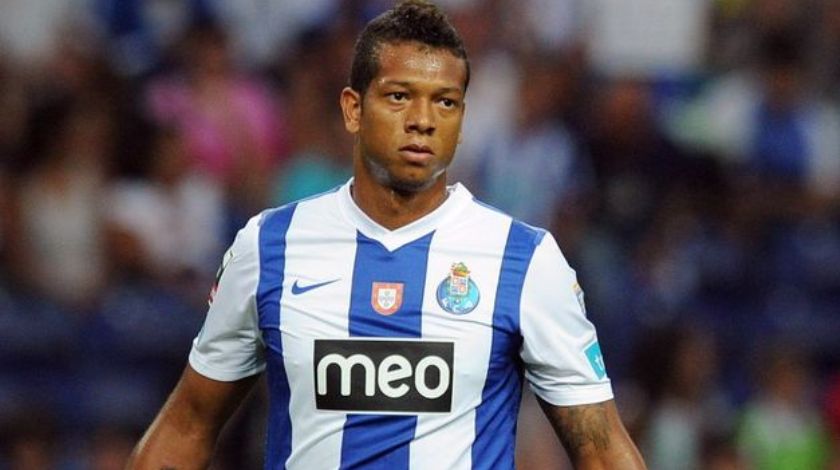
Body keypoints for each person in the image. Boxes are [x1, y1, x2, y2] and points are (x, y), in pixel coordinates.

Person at [126, 1, 646, 468]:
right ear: (353, 108)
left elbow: (602, 448)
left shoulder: (525, 260)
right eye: (400, 96)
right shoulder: (268, 248)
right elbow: (188, 426)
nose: (423, 120)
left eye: (445, 102)